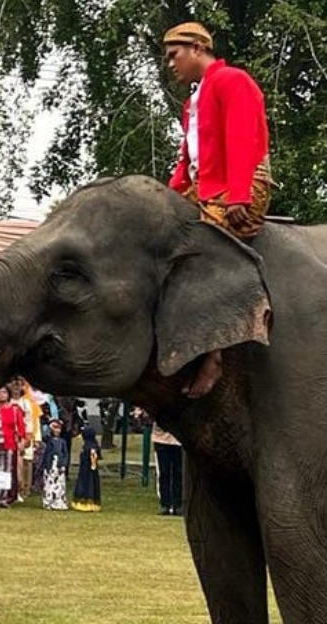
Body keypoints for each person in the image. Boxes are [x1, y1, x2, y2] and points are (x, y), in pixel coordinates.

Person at [164, 21, 273, 399]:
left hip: (242, 186)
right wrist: (164, 201)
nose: (170, 64)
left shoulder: (231, 80)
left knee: (203, 255)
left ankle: (214, 355)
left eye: (174, 55)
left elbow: (244, 136)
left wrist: (240, 193)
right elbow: (187, 161)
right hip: (206, 189)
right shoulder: (192, 101)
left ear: (197, 48)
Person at [153, 421, 183, 516]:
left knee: (178, 473)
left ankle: (178, 505)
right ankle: (165, 504)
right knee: (163, 473)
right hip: (160, 439)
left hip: (178, 440)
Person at [71, 427, 102, 512]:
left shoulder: (90, 446)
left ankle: (86, 504)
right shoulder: (91, 444)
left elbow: (93, 457)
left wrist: (93, 465)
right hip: (86, 468)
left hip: (87, 469)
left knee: (87, 485)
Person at [40, 420, 69, 511]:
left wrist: (64, 464)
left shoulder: (63, 441)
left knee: (59, 484)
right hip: (50, 465)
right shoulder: (49, 440)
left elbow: (65, 454)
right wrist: (50, 427)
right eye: (55, 428)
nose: (57, 430)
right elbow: (44, 436)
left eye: (58, 428)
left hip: (59, 465)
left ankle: (59, 502)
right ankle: (48, 502)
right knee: (49, 484)